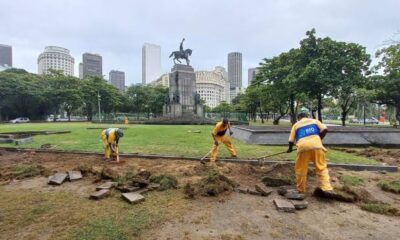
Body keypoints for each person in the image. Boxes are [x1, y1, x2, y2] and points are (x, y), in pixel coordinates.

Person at [287, 113, 334, 195]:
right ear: (306, 116)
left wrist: (290, 149)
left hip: (303, 149)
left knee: (301, 169)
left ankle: (301, 190)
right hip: (318, 147)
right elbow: (325, 129)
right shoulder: (315, 121)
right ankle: (327, 188)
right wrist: (319, 138)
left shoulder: (296, 125)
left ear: (299, 118)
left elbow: (291, 140)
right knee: (321, 168)